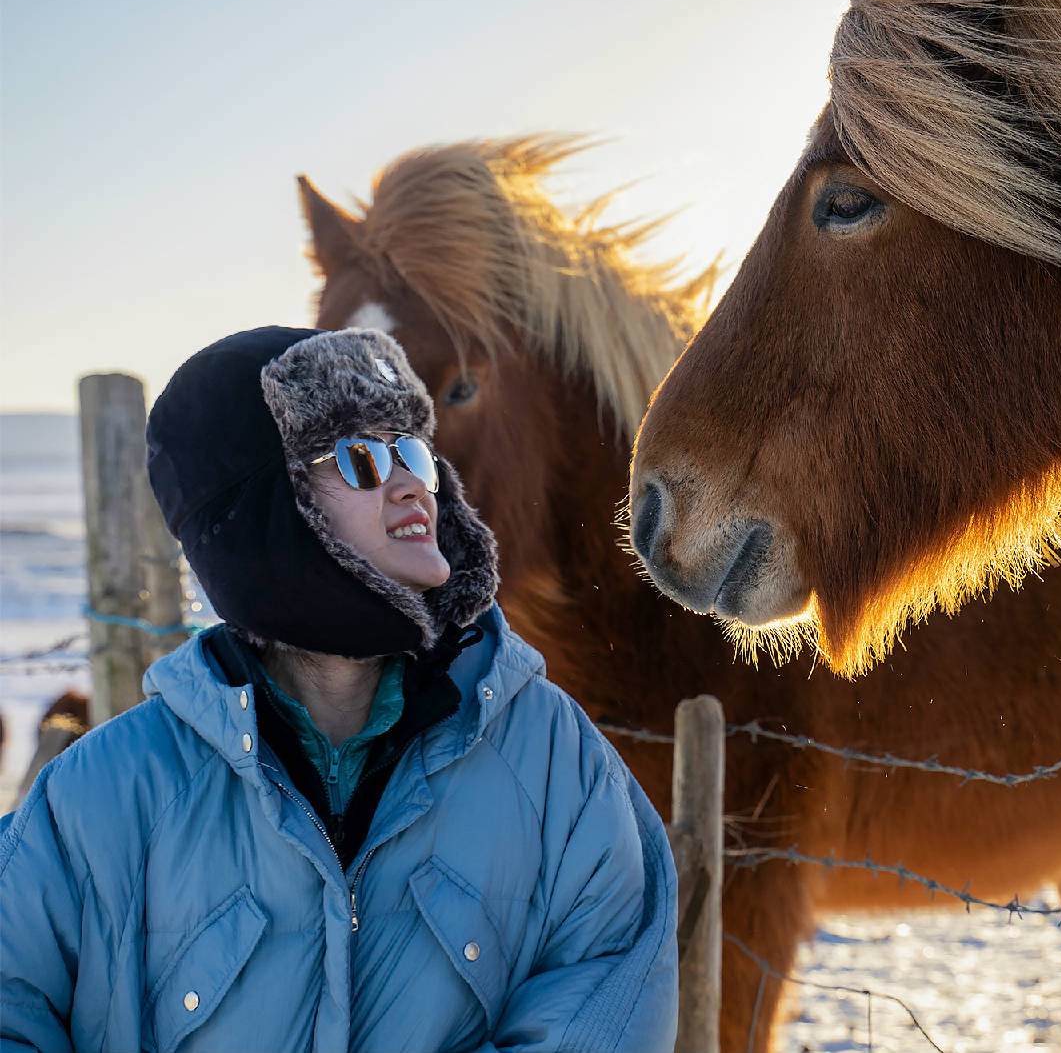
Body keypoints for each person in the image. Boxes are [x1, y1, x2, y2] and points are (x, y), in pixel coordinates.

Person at [0, 326, 677, 1052]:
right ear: (263, 508)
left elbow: (610, 1004)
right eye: (362, 458)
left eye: (413, 450)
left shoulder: (554, 762)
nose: (414, 483)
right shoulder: (99, 801)